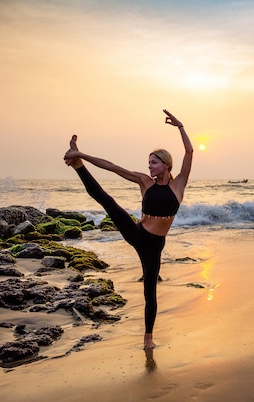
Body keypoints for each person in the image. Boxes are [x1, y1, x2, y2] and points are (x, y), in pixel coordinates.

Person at [64, 109, 193, 350]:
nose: (150, 166)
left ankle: (148, 339)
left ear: (166, 164)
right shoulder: (144, 181)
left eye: (154, 163)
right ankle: (78, 165)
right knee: (106, 200)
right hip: (138, 233)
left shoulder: (178, 185)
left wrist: (180, 126)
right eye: (149, 163)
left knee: (150, 292)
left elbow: (189, 152)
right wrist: (81, 153)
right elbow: (112, 167)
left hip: (154, 247)